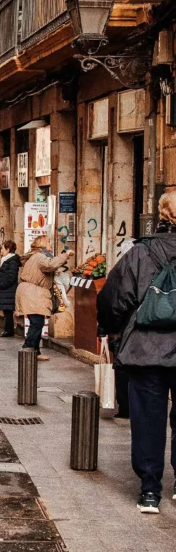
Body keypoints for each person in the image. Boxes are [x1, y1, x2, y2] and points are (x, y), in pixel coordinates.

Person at [97, 191, 176, 513]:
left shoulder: (140, 253)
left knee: (147, 418)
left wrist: (112, 328)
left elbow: (114, 298)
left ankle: (149, 490)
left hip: (146, 349)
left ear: (161, 214)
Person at [15, 235, 71, 361]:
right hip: (34, 293)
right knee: (37, 322)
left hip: (31, 291)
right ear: (43, 244)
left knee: (37, 321)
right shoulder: (40, 257)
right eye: (49, 242)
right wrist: (66, 255)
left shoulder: (35, 256)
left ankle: (35, 351)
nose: (51, 245)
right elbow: (50, 265)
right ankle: (28, 348)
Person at [0, 240, 19, 337]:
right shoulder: (7, 260)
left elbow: (11, 276)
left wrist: (2, 284)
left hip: (8, 290)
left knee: (8, 310)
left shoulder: (12, 261)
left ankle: (9, 330)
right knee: (6, 310)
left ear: (8, 249)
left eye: (2, 248)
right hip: (6, 290)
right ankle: (8, 329)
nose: (1, 250)